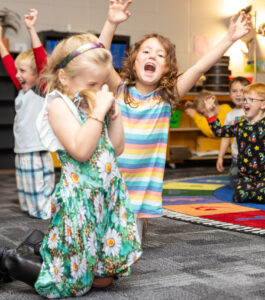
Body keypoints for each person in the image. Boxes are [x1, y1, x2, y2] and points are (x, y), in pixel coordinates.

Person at [0, 33, 142, 298]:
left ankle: (39, 245)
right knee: (72, 285)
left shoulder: (90, 104)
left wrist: (115, 116)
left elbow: (117, 148)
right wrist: (98, 113)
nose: (100, 90)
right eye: (92, 83)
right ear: (65, 78)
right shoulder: (58, 105)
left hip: (106, 200)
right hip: (81, 203)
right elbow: (80, 150)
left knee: (102, 281)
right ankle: (10, 260)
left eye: (103, 84)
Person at [99, 0, 251, 238]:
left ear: (167, 68)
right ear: (134, 59)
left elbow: (200, 67)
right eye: (146, 52)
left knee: (126, 252)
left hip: (141, 187)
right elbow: (100, 59)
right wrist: (111, 23)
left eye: (161, 55)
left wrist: (230, 38)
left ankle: (140, 225)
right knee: (101, 238)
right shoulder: (119, 89)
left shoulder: (166, 98)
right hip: (111, 176)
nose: (153, 56)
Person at [204, 83, 265, 203]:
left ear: (263, 104)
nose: (245, 102)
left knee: (264, 197)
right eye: (244, 99)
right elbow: (219, 131)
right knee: (240, 197)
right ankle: (261, 188)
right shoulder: (240, 126)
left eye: (250, 100)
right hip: (247, 175)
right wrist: (211, 113)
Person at [0, 9, 55, 219]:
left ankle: (46, 214)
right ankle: (33, 210)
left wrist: (31, 29)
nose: (17, 75)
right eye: (17, 71)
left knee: (40, 192)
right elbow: (7, 63)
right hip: (23, 150)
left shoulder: (40, 90)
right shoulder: (23, 90)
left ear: (37, 74)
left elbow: (41, 60)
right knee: (26, 190)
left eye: (23, 71)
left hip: (37, 150)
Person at [216, 76, 250, 188]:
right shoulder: (230, 116)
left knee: (255, 183)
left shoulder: (255, 110)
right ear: (229, 94)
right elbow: (225, 137)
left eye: (242, 90)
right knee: (235, 186)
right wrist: (220, 156)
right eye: (234, 91)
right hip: (237, 157)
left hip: (254, 157)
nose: (238, 94)